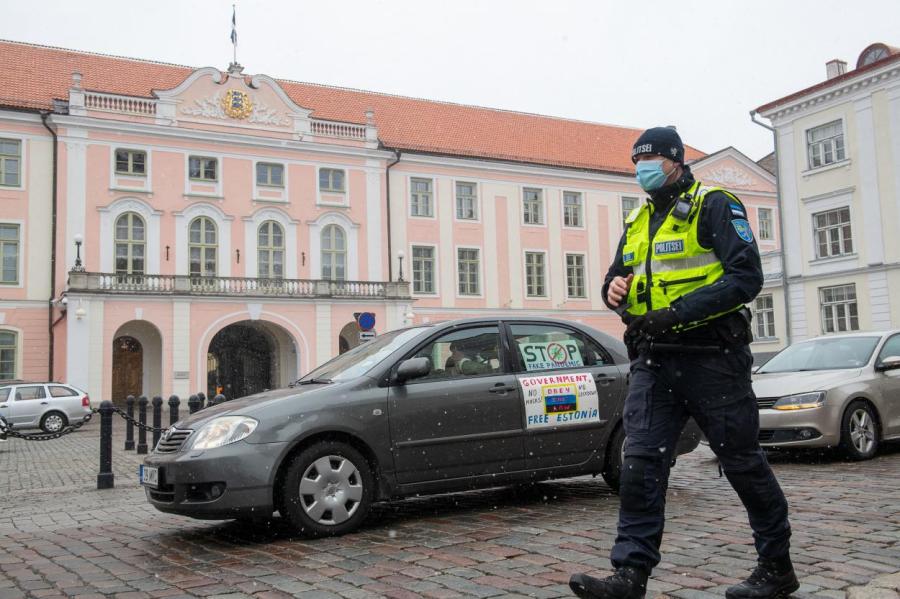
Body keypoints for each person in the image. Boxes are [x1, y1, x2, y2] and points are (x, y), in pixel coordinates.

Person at [569, 127, 796, 599]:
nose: (642, 168)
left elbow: (745, 277)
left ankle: (776, 566)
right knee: (640, 466)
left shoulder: (714, 204)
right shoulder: (638, 219)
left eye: (650, 159)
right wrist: (612, 291)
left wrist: (675, 315)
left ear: (675, 161)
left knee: (742, 463)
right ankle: (630, 575)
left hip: (713, 357)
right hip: (656, 362)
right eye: (637, 161)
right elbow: (620, 275)